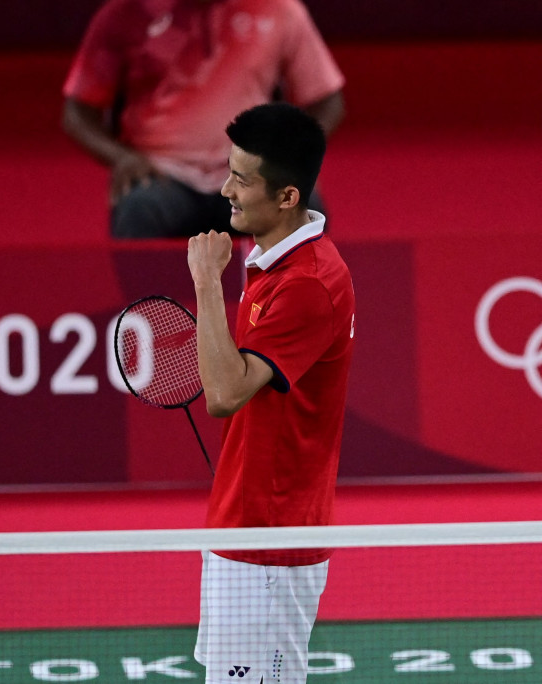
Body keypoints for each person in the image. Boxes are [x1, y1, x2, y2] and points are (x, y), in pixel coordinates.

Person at [186, 102, 355, 683]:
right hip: (242, 522)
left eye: (241, 178)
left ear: (286, 196)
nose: (226, 190)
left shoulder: (308, 283)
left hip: (272, 539)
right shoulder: (274, 261)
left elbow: (224, 394)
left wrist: (206, 282)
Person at [62, 0, 345, 239]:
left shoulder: (278, 9)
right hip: (163, 174)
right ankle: (150, 294)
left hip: (251, 173)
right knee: (138, 209)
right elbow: (77, 114)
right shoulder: (127, 13)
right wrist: (122, 157)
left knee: (302, 210)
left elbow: (328, 102)